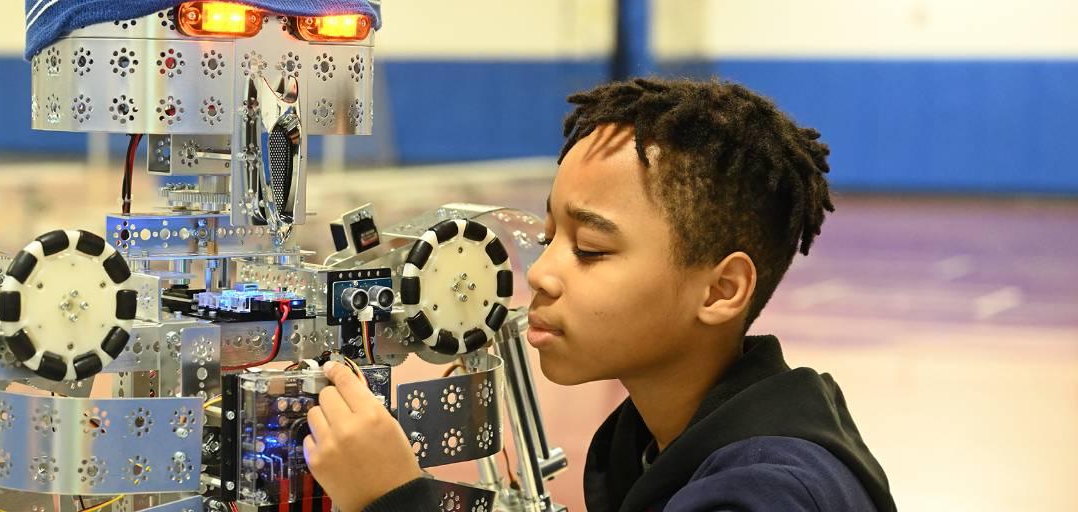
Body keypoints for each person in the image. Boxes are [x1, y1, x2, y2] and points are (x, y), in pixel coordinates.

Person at [301, 77, 896, 512]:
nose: (541, 274)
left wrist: (396, 500)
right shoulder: (651, 446)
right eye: (552, 235)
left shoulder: (771, 494)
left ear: (721, 290)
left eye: (590, 249)